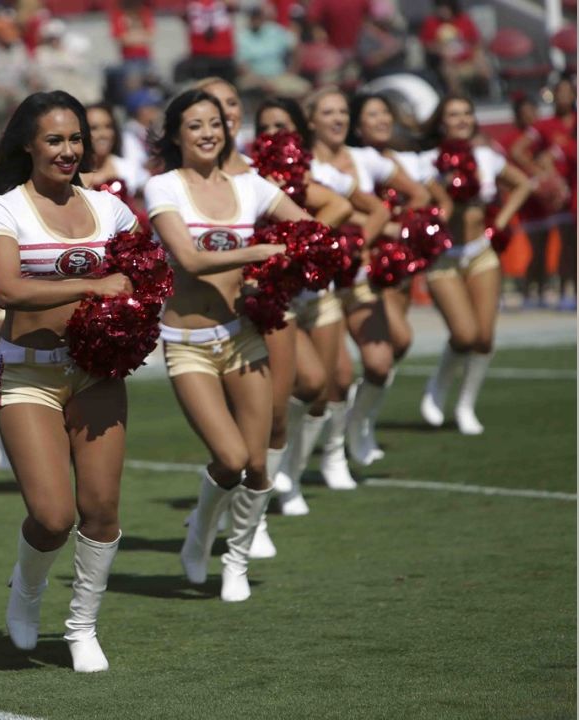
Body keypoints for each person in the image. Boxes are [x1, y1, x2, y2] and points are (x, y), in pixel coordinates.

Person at [0, 91, 139, 672]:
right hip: (28, 374)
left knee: (101, 509)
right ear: (28, 145)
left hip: (96, 372)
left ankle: (81, 626)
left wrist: (136, 292)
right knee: (53, 516)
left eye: (76, 139)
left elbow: (144, 272)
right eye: (54, 140)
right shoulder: (8, 208)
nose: (67, 150)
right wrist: (94, 287)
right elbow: (7, 288)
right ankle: (26, 592)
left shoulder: (110, 209)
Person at [144, 89, 311, 603]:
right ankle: (199, 535)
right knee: (230, 457)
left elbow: (307, 228)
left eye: (214, 123)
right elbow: (190, 259)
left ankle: (235, 559)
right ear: (176, 134)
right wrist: (260, 249)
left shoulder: (252, 186)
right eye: (194, 125)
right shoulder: (162, 187)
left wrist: (280, 268)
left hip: (242, 336)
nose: (207, 133)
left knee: (258, 466)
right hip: (188, 342)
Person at [194, 82, 350, 559]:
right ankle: (237, 519)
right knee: (244, 426)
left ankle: (258, 503)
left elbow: (322, 211)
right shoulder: (192, 171)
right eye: (211, 106)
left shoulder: (260, 169)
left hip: (268, 299)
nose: (223, 113)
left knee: (300, 395)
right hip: (213, 315)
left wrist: (294, 252)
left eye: (231, 104)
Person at [307, 87, 426, 476]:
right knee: (336, 378)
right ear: (312, 121)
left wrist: (381, 236)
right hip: (319, 283)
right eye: (328, 112)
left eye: (342, 111)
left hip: (359, 276)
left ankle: (360, 424)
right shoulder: (303, 163)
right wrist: (362, 223)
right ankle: (333, 454)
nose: (338, 118)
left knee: (379, 361)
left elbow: (419, 194)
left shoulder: (364, 158)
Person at [419, 94, 532, 434]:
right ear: (442, 121)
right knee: (463, 334)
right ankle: (438, 384)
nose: (462, 119)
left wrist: (501, 222)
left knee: (483, 338)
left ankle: (466, 405)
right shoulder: (427, 160)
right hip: (444, 257)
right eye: (454, 115)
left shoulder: (486, 156)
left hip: (481, 252)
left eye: (467, 113)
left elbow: (524, 184)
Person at [345, 92, 449, 460]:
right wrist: (380, 224)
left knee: (398, 343)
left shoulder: (398, 160)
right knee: (388, 347)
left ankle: (361, 418)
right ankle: (353, 422)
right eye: (372, 114)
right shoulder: (353, 159)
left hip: (392, 262)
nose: (381, 120)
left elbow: (425, 197)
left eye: (385, 113)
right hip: (355, 265)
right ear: (357, 123)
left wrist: (405, 230)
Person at [514, 76, 576, 310]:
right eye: (559, 92)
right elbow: (519, 150)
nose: (563, 97)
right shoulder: (544, 125)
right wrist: (543, 176)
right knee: (565, 244)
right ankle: (564, 290)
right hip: (558, 198)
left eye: (567, 92)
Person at [418, 0, 492, 96]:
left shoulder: (464, 20)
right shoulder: (431, 23)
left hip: (468, 59)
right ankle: (458, 97)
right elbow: (426, 45)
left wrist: (477, 54)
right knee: (450, 73)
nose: (442, 11)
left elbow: (476, 41)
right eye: (440, 8)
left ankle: (484, 95)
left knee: (484, 68)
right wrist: (440, 50)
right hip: (446, 62)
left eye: (445, 8)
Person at [236, 4, 310, 99]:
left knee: (304, 89)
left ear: (262, 16)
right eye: (253, 16)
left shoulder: (275, 31)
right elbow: (241, 65)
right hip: (254, 78)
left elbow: (296, 47)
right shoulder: (242, 36)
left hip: (279, 76)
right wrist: (259, 80)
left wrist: (292, 71)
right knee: (243, 87)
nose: (256, 19)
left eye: (258, 15)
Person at [79, 103, 148, 199]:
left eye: (108, 127)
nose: (103, 134)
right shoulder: (72, 176)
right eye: (94, 128)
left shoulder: (130, 170)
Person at [181, 0, 238, 84]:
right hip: (200, 55)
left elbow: (234, 6)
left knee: (226, 88)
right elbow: (182, 14)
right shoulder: (192, 4)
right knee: (203, 90)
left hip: (223, 54)